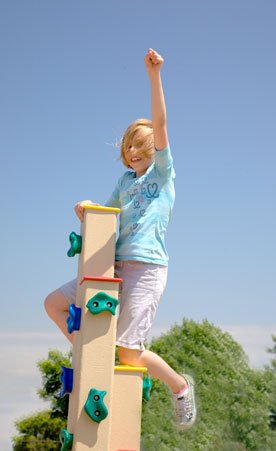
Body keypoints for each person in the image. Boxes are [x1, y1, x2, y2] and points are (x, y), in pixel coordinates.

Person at [44, 48, 197, 430]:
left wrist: (154, 76)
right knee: (53, 304)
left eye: (138, 145)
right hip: (111, 269)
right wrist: (86, 206)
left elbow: (161, 126)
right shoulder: (125, 183)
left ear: (151, 150)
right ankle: (91, 350)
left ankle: (179, 387)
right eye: (127, 145)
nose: (131, 151)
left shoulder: (162, 176)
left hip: (146, 269)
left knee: (129, 355)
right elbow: (106, 211)